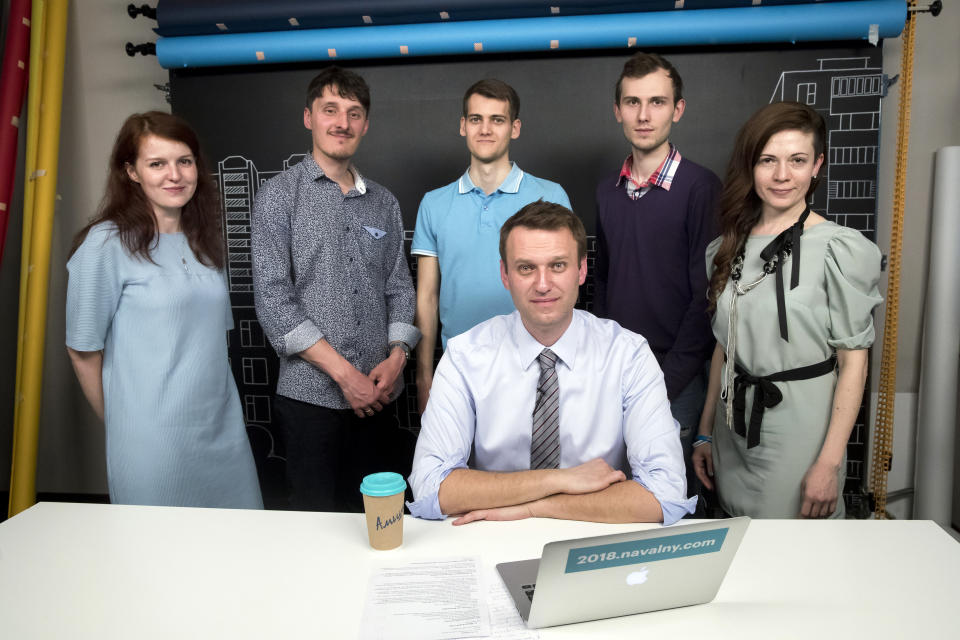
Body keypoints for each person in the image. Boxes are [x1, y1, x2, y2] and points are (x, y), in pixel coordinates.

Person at [409, 201, 695, 526]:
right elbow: (431, 488)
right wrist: (558, 481)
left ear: (582, 270)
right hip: (490, 537)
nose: (543, 284)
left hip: (593, 539)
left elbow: (665, 495)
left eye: (557, 266)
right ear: (505, 274)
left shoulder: (628, 355)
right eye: (526, 268)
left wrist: (534, 507)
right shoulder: (464, 357)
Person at [691, 101, 882, 519]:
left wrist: (829, 464)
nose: (782, 176)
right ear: (750, 165)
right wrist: (704, 433)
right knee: (737, 549)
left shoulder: (840, 248)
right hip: (732, 429)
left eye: (797, 160)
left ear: (817, 165)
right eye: (768, 160)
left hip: (802, 432)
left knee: (794, 554)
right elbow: (723, 349)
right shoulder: (724, 248)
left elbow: (854, 362)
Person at [66, 111, 262, 509]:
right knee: (160, 559)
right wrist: (125, 425)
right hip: (153, 442)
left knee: (239, 553)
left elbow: (206, 346)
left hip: (222, 433)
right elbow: (82, 350)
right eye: (157, 163)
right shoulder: (106, 245)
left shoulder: (204, 242)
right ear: (132, 172)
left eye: (184, 161)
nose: (174, 175)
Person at [251, 66, 420, 512]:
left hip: (381, 398)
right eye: (330, 110)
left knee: (380, 522)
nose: (342, 123)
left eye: (354, 113)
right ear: (309, 117)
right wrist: (347, 377)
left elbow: (400, 287)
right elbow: (273, 302)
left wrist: (398, 358)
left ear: (365, 124)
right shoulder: (277, 197)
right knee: (318, 529)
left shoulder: (383, 201)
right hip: (311, 402)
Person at [594, 52, 720, 495]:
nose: (644, 115)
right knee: (615, 495)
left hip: (675, 377)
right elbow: (604, 280)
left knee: (671, 499)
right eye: (632, 102)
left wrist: (663, 383)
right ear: (618, 111)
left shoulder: (701, 188)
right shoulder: (607, 191)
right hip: (615, 374)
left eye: (657, 102)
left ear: (677, 109)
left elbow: (707, 296)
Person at [412, 78, 571, 414]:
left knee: (533, 468)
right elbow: (426, 297)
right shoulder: (434, 204)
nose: (485, 129)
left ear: (514, 128)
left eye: (496, 120)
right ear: (462, 126)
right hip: (458, 373)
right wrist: (424, 377)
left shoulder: (551, 196)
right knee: (460, 467)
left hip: (535, 369)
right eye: (476, 119)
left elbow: (564, 286)